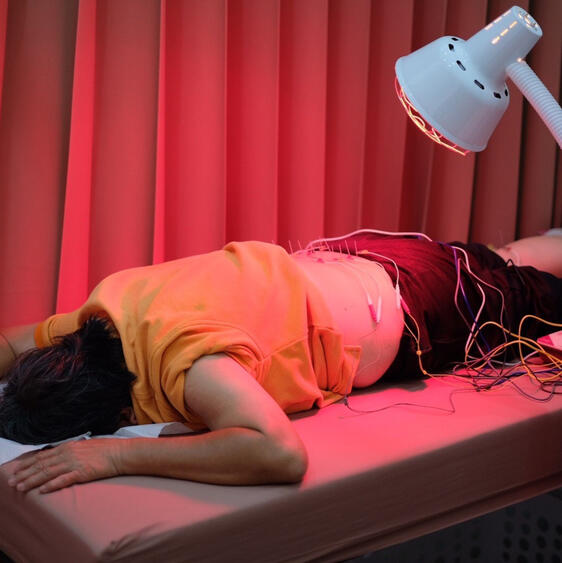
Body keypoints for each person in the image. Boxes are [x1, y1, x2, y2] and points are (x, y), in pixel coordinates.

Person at [1, 230, 561, 494]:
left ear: (113, 415)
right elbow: (8, 343)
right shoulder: (99, 313)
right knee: (505, 261)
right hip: (371, 257)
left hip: (423, 307)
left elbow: (279, 453)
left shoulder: (192, 366)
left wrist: (115, 456)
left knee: (534, 294)